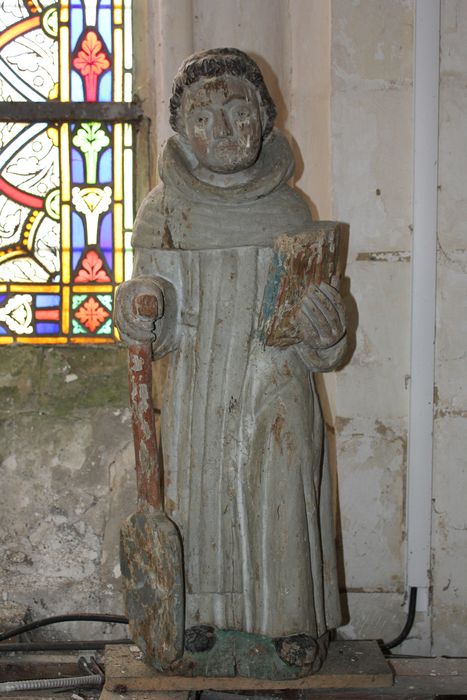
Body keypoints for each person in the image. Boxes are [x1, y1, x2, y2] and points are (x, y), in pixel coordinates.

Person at [115, 48, 347, 678]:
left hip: (276, 380)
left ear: (265, 120)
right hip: (197, 381)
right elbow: (149, 302)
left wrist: (326, 331)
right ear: (182, 134)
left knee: (281, 479)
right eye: (201, 116)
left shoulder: (291, 210)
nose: (221, 129)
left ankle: (291, 624)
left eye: (238, 109)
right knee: (200, 492)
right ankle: (203, 617)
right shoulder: (163, 212)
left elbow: (318, 336)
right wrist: (140, 309)